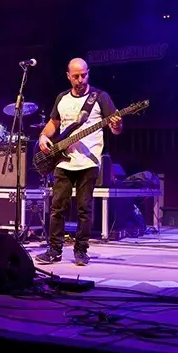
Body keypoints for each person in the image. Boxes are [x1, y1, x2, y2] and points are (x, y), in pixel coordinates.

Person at [36, 58, 122, 266]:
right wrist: (43, 136)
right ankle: (54, 250)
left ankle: (81, 251)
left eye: (84, 75)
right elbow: (53, 124)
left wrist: (117, 125)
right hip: (63, 161)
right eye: (76, 76)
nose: (80, 79)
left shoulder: (100, 97)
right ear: (68, 76)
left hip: (89, 162)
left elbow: (116, 129)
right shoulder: (62, 98)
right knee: (57, 208)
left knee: (85, 209)